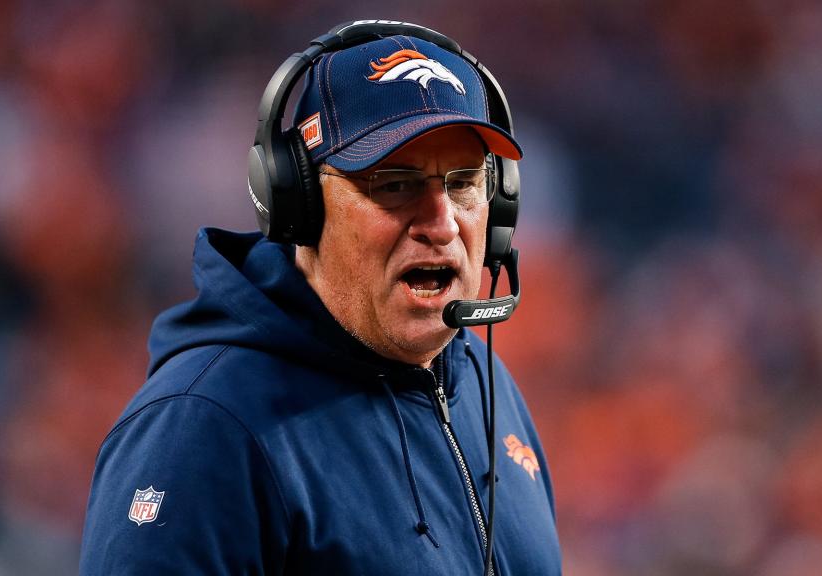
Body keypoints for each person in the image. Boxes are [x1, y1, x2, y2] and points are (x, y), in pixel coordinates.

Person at [80, 21, 561, 575]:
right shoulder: (202, 429)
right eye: (394, 184)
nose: (443, 223)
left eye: (462, 183)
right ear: (300, 205)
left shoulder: (481, 378)